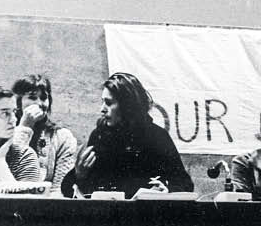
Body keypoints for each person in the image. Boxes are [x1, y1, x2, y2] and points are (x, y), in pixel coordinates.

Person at [60, 72, 193, 198]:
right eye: (102, 102)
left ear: (127, 106)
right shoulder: (100, 136)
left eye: (109, 103)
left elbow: (185, 185)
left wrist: (166, 191)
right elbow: (68, 189)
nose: (102, 109)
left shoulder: (157, 136)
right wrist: (79, 175)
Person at [10, 74, 78, 189]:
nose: (39, 103)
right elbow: (8, 176)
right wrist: (24, 127)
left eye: (43, 98)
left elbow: (61, 188)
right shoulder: (6, 132)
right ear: (18, 102)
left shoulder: (62, 137)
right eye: (32, 97)